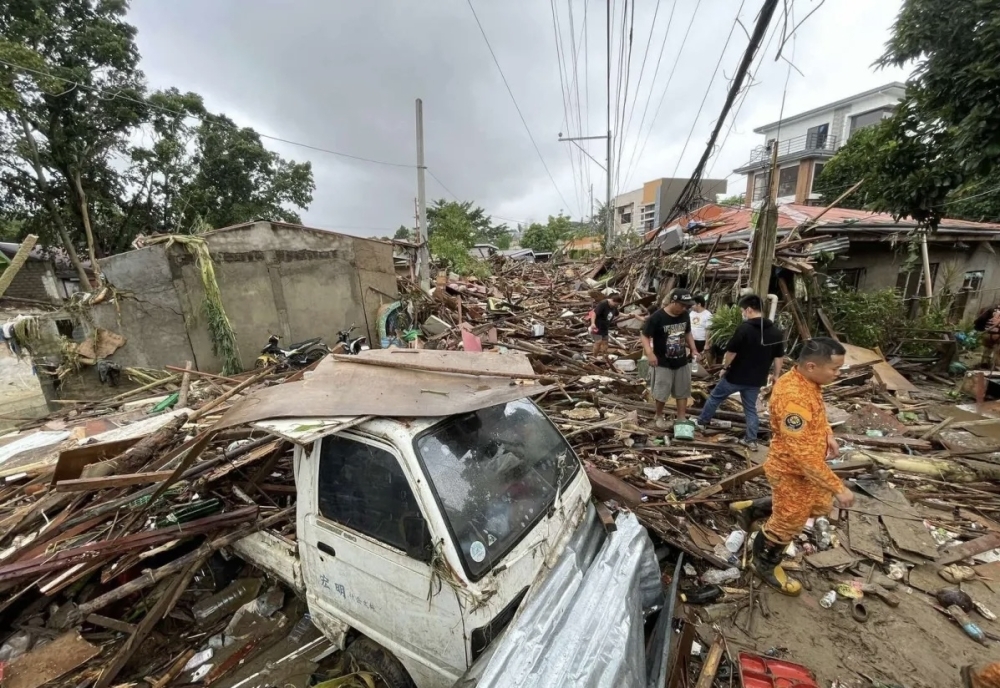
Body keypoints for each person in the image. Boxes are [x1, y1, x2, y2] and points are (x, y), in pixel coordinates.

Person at [752, 337, 855, 595]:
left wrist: (828, 434)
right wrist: (838, 487)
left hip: (803, 469)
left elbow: (818, 414)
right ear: (811, 366)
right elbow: (804, 458)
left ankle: (751, 510)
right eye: (835, 369)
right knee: (789, 520)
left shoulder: (808, 382)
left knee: (817, 505)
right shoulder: (794, 399)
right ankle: (763, 562)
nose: (838, 374)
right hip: (791, 469)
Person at [695, 294, 785, 451]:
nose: (743, 313)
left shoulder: (744, 329)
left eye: (743, 310)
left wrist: (724, 368)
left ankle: (701, 423)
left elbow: (731, 352)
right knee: (750, 409)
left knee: (715, 398)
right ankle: (751, 440)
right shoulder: (776, 332)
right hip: (756, 379)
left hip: (735, 376)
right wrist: (776, 375)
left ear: (749, 310)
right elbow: (779, 357)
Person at [641, 288, 700, 430]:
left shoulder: (685, 315)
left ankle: (681, 418)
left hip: (681, 360)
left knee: (683, 390)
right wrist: (649, 353)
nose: (683, 308)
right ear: (673, 302)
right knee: (662, 391)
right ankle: (659, 415)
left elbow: (687, 333)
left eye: (686, 306)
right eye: (681, 305)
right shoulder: (657, 317)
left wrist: (693, 349)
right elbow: (644, 335)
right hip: (662, 361)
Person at [590, 294, 623, 358]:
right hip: (597, 326)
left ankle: (604, 357)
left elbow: (618, 314)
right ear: (612, 300)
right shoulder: (603, 304)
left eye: (617, 305)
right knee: (598, 342)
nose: (616, 306)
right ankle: (594, 357)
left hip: (605, 327)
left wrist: (628, 315)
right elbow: (594, 313)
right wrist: (592, 323)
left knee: (605, 343)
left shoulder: (613, 306)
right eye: (616, 304)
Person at [974, 303, 1000, 369]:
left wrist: (980, 329)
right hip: (998, 335)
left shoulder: (990, 307)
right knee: (997, 355)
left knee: (986, 352)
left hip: (987, 335)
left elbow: (980, 319)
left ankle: (984, 366)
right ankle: (995, 369)